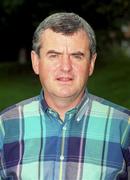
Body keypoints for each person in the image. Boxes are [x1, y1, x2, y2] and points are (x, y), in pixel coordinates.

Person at [0, 12, 130, 180]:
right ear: (36, 62)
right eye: (54, 55)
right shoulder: (5, 127)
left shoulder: (124, 127)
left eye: (77, 56)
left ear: (91, 64)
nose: (66, 67)